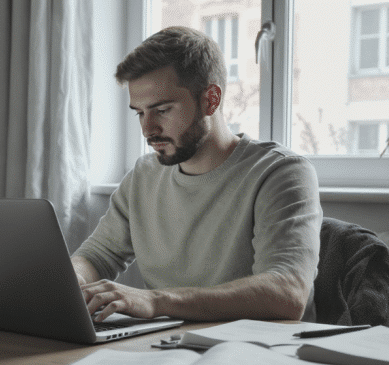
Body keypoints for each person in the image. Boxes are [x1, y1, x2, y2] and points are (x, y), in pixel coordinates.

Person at [72, 26, 322, 323]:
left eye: (162, 110)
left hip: (257, 348)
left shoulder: (281, 173)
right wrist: (71, 279)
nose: (147, 129)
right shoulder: (143, 176)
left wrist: (156, 301)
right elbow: (96, 256)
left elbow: (287, 294)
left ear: (210, 100)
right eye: (139, 113)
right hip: (165, 344)